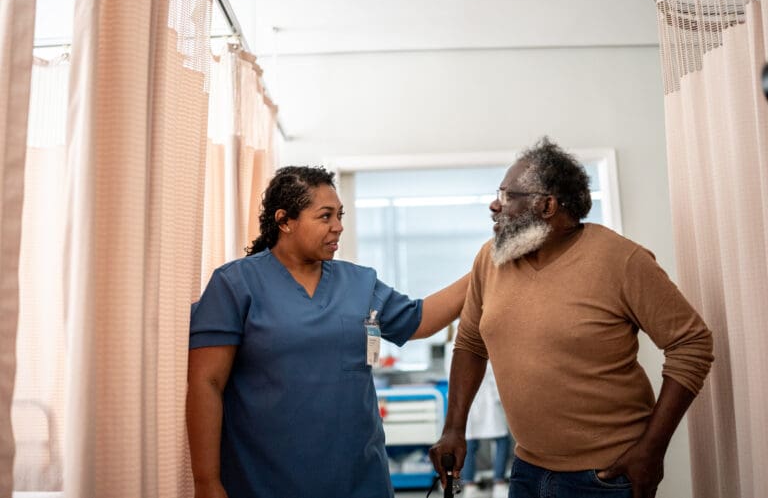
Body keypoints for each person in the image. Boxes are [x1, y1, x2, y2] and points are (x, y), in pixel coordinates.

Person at [429, 137, 714, 498]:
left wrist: (652, 449)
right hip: (527, 470)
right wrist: (454, 427)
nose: (494, 205)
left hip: (606, 476)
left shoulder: (621, 261)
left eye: (506, 196)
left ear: (547, 205)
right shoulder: (491, 259)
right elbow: (471, 343)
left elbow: (692, 344)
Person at [187, 166, 469, 498]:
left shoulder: (360, 283)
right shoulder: (235, 285)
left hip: (360, 477)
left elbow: (420, 319)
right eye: (325, 216)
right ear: (285, 221)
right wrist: (207, 481)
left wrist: (481, 270)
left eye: (340, 215)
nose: (338, 226)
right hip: (265, 479)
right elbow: (206, 383)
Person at [446, 334, 511, 498]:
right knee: (499, 440)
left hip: (474, 399)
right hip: (481, 397)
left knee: (471, 441)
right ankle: (497, 483)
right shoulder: (479, 334)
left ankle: (471, 484)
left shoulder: (451, 342)